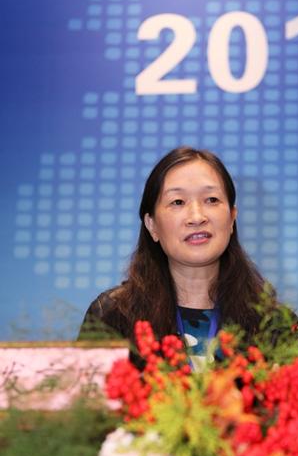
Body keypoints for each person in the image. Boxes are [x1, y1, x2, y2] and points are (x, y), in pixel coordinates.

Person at [78, 146, 285, 369]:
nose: (196, 217)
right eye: (178, 202)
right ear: (152, 225)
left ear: (232, 218)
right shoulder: (113, 316)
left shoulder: (270, 324)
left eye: (211, 199)